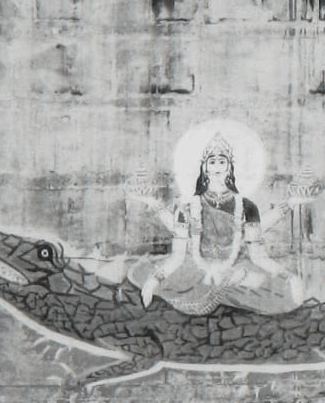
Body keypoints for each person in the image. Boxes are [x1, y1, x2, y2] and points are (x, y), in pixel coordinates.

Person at [129, 133, 304, 315]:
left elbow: (258, 257)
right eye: (212, 162)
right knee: (147, 275)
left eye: (222, 161)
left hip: (235, 271)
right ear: (204, 168)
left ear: (230, 167)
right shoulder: (188, 207)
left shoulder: (247, 207)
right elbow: (178, 257)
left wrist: (289, 277)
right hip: (196, 272)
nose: (217, 167)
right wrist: (154, 280)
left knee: (272, 288)